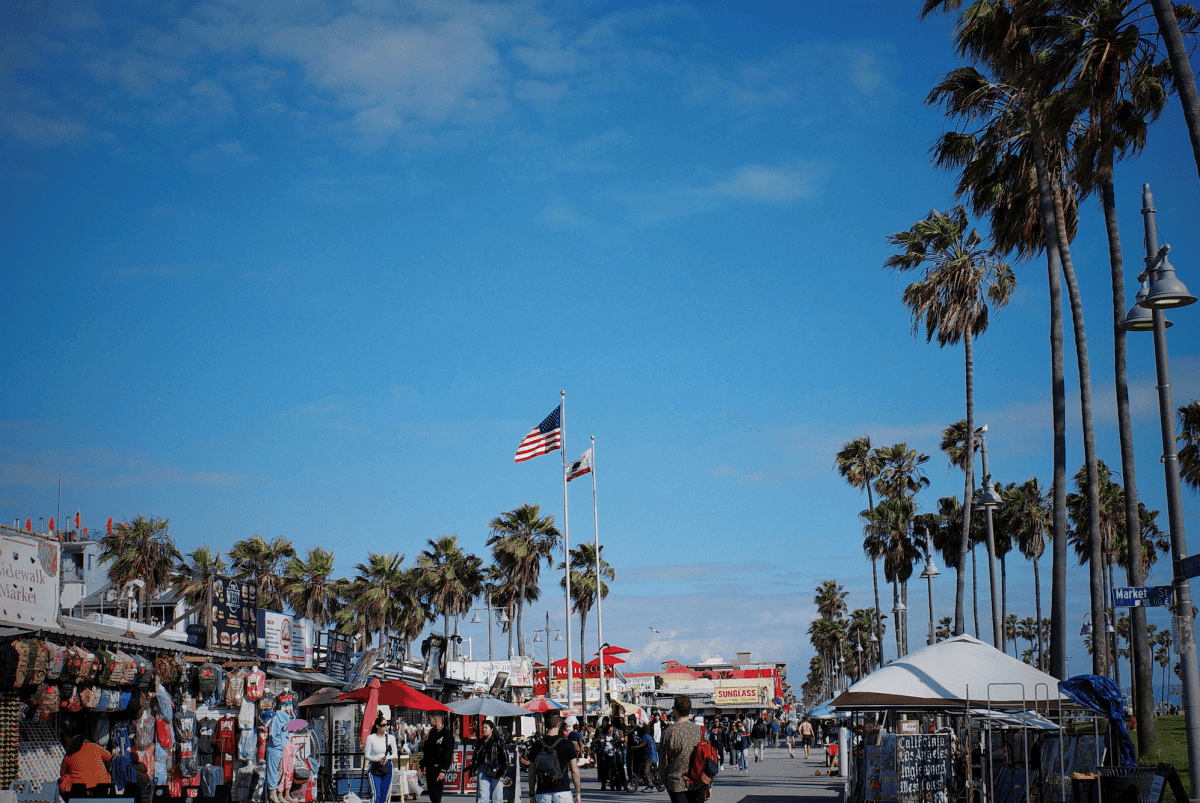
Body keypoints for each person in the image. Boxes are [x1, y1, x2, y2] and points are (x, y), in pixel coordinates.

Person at [527, 711, 580, 803]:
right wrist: (578, 793)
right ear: (559, 724)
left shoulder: (536, 745)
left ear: (545, 725)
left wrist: (532, 795)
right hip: (563, 792)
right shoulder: (567, 744)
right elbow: (575, 771)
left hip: (542, 793)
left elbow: (532, 773)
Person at [660, 695, 704, 803]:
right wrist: (708, 785)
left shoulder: (668, 733)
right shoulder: (699, 730)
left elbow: (662, 765)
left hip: (677, 784)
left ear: (675, 711)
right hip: (699, 783)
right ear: (689, 710)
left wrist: (668, 786)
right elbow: (708, 759)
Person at [468, 720, 508, 803]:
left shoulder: (498, 741)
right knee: (482, 797)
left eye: (486, 727)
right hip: (483, 769)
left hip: (496, 769)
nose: (484, 729)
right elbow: (475, 759)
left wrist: (503, 773)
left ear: (491, 729)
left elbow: (505, 759)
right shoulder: (479, 742)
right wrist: (472, 772)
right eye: (482, 728)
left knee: (497, 797)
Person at [420, 713, 455, 803]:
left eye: (430, 720)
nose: (429, 722)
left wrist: (443, 770)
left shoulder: (447, 734)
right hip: (430, 767)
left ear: (436, 720)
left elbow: (448, 752)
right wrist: (422, 764)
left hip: (438, 767)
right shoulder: (432, 732)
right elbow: (427, 751)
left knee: (436, 794)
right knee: (431, 792)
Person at [364, 717, 393, 803]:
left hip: (387, 766)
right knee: (376, 794)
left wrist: (386, 758)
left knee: (385, 796)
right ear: (377, 726)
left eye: (386, 725)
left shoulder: (390, 738)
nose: (385, 727)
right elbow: (367, 756)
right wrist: (378, 759)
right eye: (383, 725)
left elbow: (394, 754)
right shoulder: (370, 738)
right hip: (374, 766)